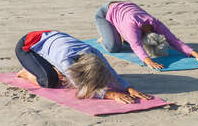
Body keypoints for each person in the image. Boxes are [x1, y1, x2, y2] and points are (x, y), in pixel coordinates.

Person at [15, 30, 151, 104]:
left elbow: (111, 73)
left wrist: (128, 88)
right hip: (27, 46)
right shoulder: (65, 61)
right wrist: (111, 94)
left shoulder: (94, 53)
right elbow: (81, 89)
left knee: (62, 74)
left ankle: (49, 64)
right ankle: (26, 72)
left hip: (50, 39)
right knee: (51, 80)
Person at [95, 1, 198, 70]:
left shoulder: (156, 24)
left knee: (130, 38)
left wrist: (194, 54)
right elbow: (136, 46)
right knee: (114, 47)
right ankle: (104, 38)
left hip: (125, 9)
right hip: (105, 12)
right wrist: (149, 61)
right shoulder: (131, 26)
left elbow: (174, 40)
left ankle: (119, 33)